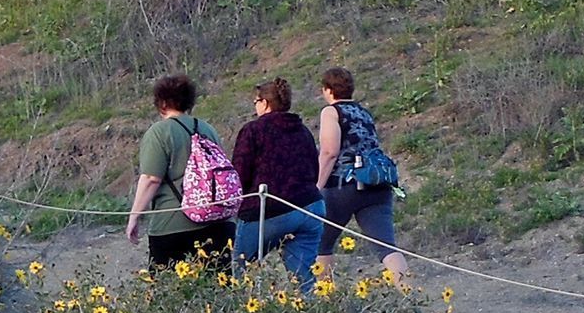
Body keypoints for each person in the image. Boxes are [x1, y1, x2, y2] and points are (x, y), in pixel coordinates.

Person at [313, 67, 410, 285]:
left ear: (328, 90)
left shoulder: (331, 112)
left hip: (343, 185)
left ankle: (324, 302)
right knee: (387, 247)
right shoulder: (365, 113)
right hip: (377, 186)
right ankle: (410, 297)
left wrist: (316, 186)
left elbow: (329, 151)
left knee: (322, 243)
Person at [126, 74, 234, 268]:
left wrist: (134, 216)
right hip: (218, 223)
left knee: (169, 291)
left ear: (163, 102)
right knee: (218, 291)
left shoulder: (159, 132)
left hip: (172, 227)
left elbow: (151, 178)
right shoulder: (208, 129)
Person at [230, 78, 327, 289]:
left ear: (264, 103)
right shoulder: (303, 131)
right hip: (309, 207)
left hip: (268, 211)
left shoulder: (253, 130)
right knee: (304, 282)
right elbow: (314, 169)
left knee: (237, 271)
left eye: (256, 102)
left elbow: (239, 175)